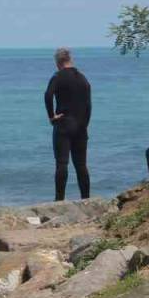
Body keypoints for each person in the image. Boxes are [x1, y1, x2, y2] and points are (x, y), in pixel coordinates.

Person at [45, 47, 92, 200]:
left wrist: (52, 116)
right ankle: (86, 199)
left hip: (63, 124)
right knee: (81, 165)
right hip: (80, 126)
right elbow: (89, 105)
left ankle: (59, 199)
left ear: (58, 62)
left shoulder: (58, 77)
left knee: (62, 163)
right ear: (70, 60)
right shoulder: (83, 78)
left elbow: (48, 95)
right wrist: (85, 124)